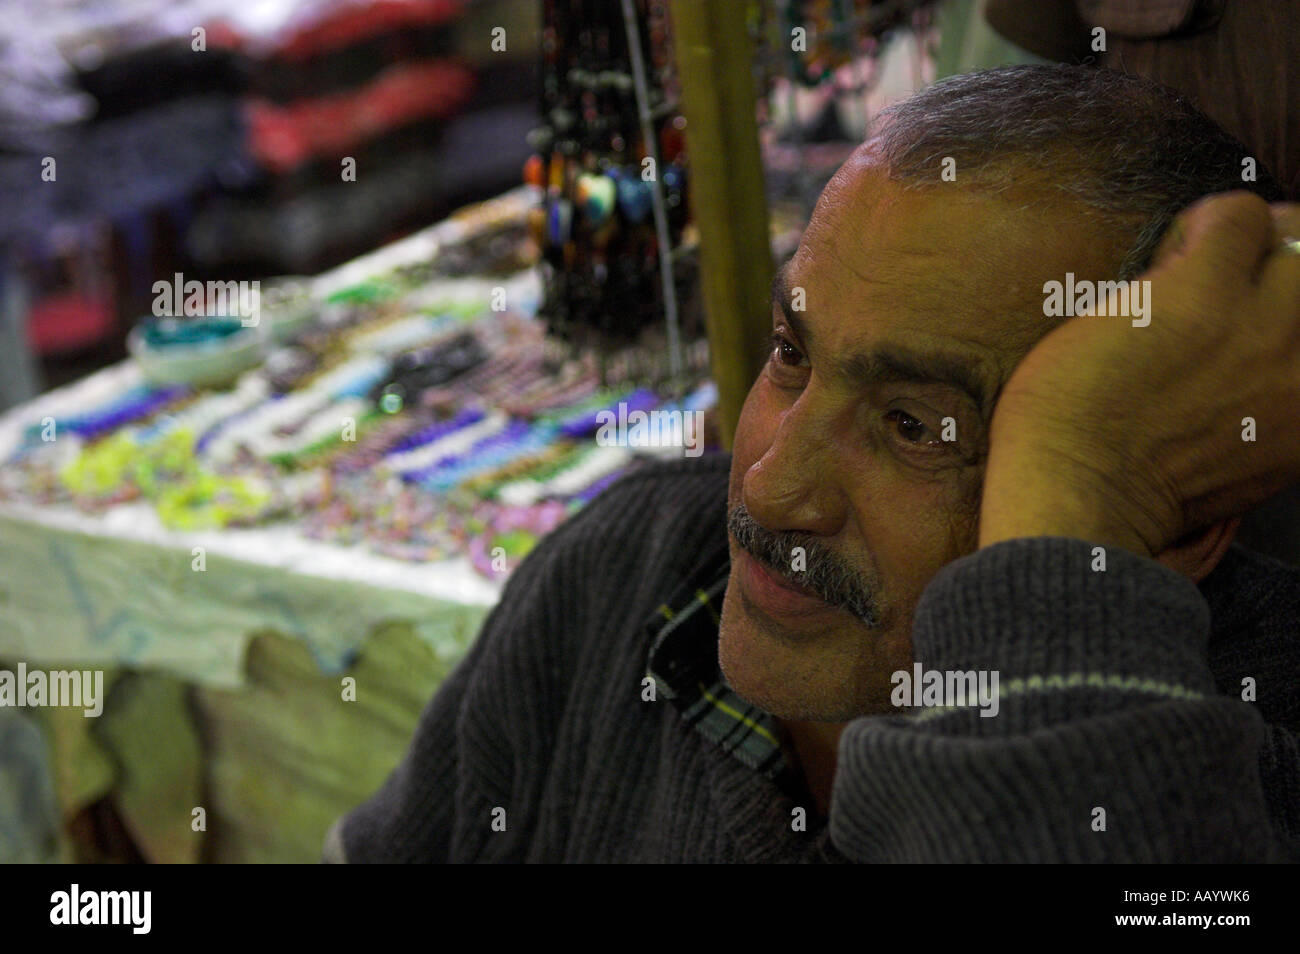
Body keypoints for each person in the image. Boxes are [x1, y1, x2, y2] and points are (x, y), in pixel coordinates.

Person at [325, 64, 1300, 862]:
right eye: (792, 355)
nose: (767, 486)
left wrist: (1071, 517)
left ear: (1174, 520)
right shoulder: (625, 572)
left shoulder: (1242, 764)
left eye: (916, 426)